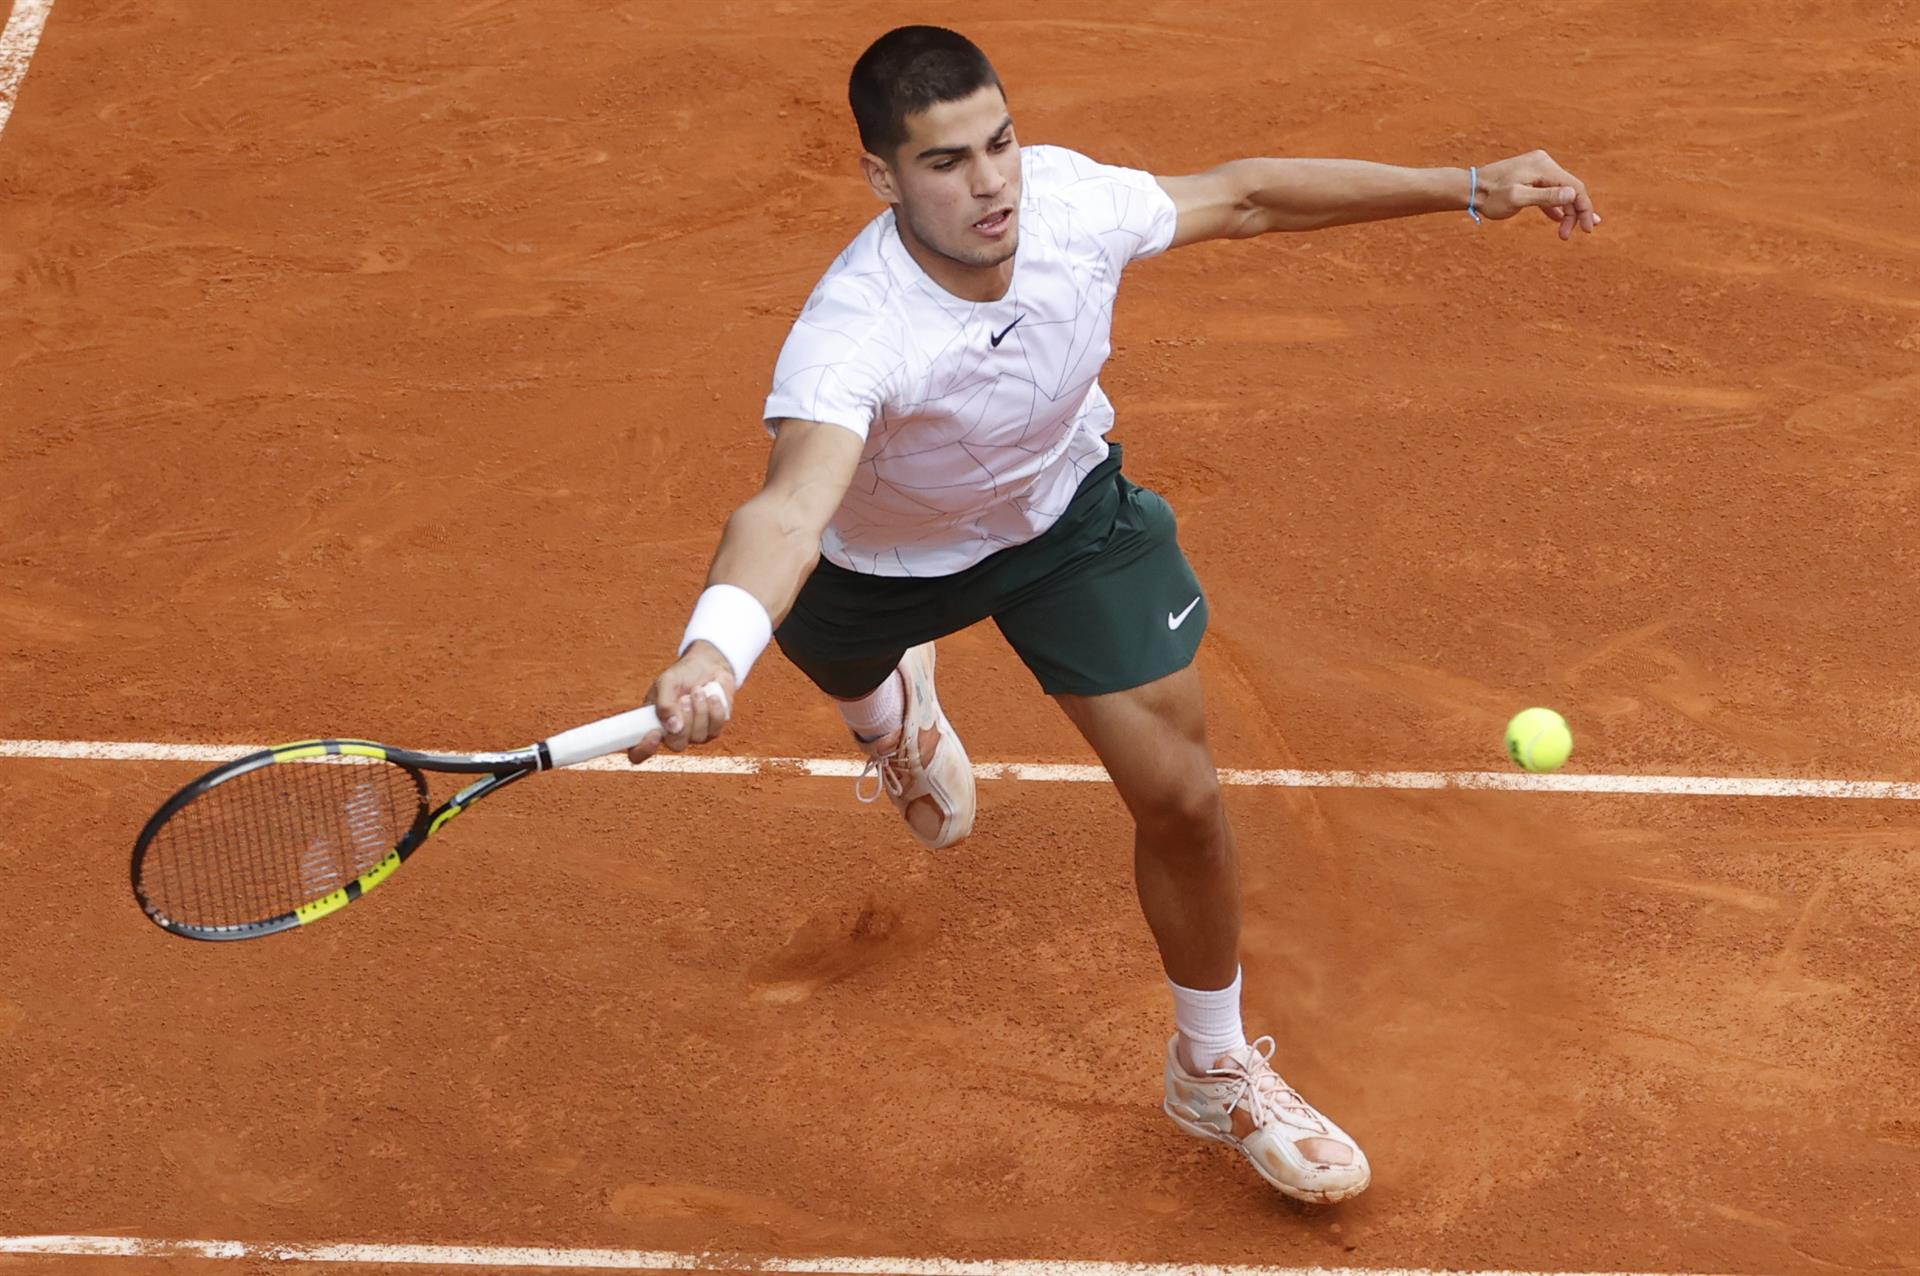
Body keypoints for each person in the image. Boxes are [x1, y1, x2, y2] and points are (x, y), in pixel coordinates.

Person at [627, 24, 1599, 1204]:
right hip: (877, 566)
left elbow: (1242, 199)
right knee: (852, 675)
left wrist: (1468, 187)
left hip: (1062, 523)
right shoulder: (852, 336)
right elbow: (785, 514)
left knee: (1183, 795)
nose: (990, 185)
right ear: (883, 177)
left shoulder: (1072, 206)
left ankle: (1214, 1062)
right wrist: (708, 653)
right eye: (945, 162)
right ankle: (894, 721)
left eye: (1001, 143)